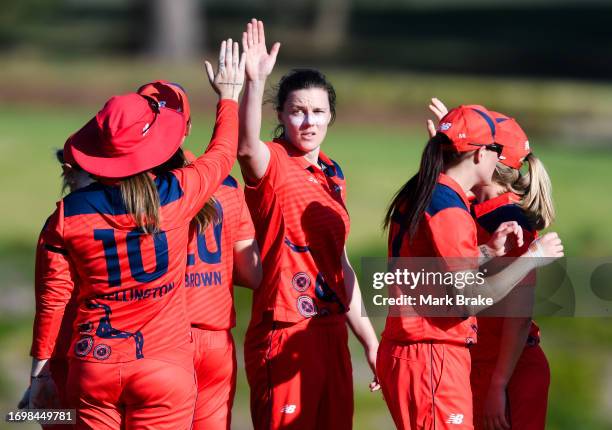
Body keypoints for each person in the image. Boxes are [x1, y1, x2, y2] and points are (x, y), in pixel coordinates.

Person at [28, 39, 245, 429]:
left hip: (93, 365)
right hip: (164, 367)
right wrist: (229, 97)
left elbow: (53, 300)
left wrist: (40, 374)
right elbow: (223, 152)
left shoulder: (65, 216)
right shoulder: (178, 193)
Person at [378, 104, 563, 430]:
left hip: (486, 365)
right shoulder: (450, 203)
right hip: (437, 355)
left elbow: (517, 317)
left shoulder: (464, 205)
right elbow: (465, 295)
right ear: (481, 156)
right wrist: (530, 258)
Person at [238, 19, 380, 429]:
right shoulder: (273, 160)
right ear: (281, 114)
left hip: (331, 329)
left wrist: (368, 340)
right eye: (297, 111)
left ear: (331, 116)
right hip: (284, 327)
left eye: (318, 111)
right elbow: (246, 149)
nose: (308, 122)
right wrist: (254, 82)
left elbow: (341, 265)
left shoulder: (334, 174)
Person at [138, 79, 263, 430]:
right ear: (187, 127)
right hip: (215, 342)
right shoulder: (224, 184)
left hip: (159, 338)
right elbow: (253, 274)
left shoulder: (135, 190)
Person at [429, 99, 553, 430]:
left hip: (508, 371)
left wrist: (499, 385)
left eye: (475, 143)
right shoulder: (472, 205)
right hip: (480, 362)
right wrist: (449, 146)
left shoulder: (510, 219)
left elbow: (519, 314)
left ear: (488, 157)